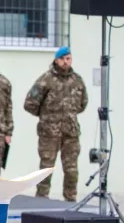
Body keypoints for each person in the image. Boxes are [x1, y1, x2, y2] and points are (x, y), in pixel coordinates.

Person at [24, 46, 88, 201]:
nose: (66, 62)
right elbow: (30, 103)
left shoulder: (77, 81)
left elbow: (82, 103)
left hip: (70, 133)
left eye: (69, 59)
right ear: (56, 60)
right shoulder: (46, 80)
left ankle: (70, 199)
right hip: (49, 133)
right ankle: (41, 198)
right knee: (46, 168)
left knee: (71, 170)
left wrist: (68, 116)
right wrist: (47, 116)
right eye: (63, 59)